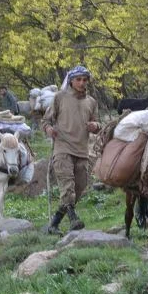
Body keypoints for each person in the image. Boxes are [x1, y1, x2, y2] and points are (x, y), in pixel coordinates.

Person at [41, 65, 101, 233]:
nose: (82, 83)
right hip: (62, 148)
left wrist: (95, 125)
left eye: (85, 80)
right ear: (71, 81)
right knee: (67, 187)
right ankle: (74, 220)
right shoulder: (59, 98)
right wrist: (49, 130)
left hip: (82, 150)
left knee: (78, 190)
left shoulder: (91, 102)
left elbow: (98, 124)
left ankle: (53, 225)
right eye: (78, 80)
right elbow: (45, 121)